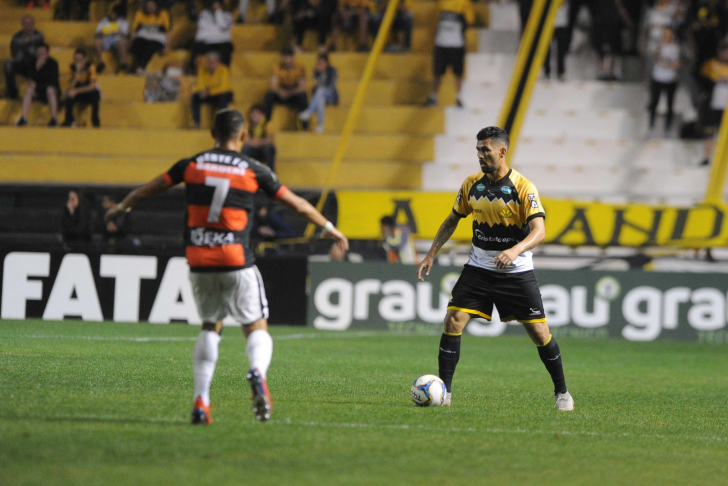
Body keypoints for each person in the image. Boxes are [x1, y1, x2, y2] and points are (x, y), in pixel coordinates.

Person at [104, 108, 349, 425]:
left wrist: (121, 208)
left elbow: (148, 189)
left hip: (199, 258)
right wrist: (329, 227)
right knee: (255, 327)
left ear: (212, 134)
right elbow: (298, 204)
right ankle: (258, 373)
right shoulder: (252, 168)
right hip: (235, 258)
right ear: (244, 135)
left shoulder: (191, 164)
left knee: (210, 326)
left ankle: (201, 401)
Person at [416, 126, 574, 412]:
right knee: (453, 320)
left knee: (540, 334)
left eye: (485, 150)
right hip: (478, 268)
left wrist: (514, 250)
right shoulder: (470, 185)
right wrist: (431, 254)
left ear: (502, 152)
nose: (479, 155)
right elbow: (452, 220)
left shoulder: (524, 187)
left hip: (516, 272)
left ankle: (562, 392)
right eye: (477, 149)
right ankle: (445, 392)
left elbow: (540, 231)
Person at [423, 0, 475, 108]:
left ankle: (459, 97)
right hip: (442, 42)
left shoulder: (464, 3)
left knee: (457, 72)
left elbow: (469, 22)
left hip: (456, 43)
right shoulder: (442, 2)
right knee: (438, 71)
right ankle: (434, 97)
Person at [699, 41, 728, 166]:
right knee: (709, 132)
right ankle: (706, 158)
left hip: (726, 108)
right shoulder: (711, 64)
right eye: (724, 51)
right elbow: (702, 78)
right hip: (712, 105)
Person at [16, 43, 59, 127]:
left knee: (50, 90)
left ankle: (54, 119)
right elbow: (29, 79)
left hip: (50, 91)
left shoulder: (53, 63)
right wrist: (37, 67)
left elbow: (53, 81)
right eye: (39, 53)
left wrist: (37, 86)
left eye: (43, 53)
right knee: (29, 89)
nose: (41, 55)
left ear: (47, 53)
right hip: (37, 90)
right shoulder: (32, 62)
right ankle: (24, 118)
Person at [262, 47, 308, 123]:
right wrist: (280, 92)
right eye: (284, 57)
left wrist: (290, 93)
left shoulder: (300, 68)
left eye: (288, 57)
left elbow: (302, 87)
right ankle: (267, 123)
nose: (286, 59)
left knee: (303, 97)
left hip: (293, 94)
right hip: (281, 94)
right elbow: (273, 86)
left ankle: (304, 125)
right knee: (269, 95)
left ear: (293, 57)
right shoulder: (277, 68)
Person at [648, 27, 680, 135]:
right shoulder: (657, 45)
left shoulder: (676, 47)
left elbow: (679, 63)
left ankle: (668, 127)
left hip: (671, 79)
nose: (667, 36)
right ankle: (651, 125)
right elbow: (653, 55)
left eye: (669, 34)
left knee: (670, 105)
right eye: (665, 34)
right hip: (657, 78)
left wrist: (669, 64)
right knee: (654, 102)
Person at [4, 15, 45, 100]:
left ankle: (37, 93)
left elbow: (41, 52)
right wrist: (25, 54)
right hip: (21, 63)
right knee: (8, 65)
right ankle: (12, 92)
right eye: (25, 24)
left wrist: (26, 52)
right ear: (22, 25)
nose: (28, 26)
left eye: (30, 24)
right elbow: (14, 54)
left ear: (33, 25)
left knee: (36, 63)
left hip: (34, 64)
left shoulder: (39, 36)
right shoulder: (16, 37)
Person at [298, 53, 338, 133]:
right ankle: (320, 125)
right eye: (319, 63)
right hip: (321, 96)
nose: (320, 65)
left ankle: (309, 111)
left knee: (321, 91)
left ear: (326, 63)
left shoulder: (332, 71)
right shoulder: (316, 72)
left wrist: (321, 78)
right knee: (320, 98)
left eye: (322, 63)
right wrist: (318, 74)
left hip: (331, 95)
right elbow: (316, 85)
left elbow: (330, 86)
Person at [191, 52, 233, 128]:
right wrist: (202, 91)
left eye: (213, 62)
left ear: (218, 62)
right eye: (209, 62)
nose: (211, 65)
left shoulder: (223, 70)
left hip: (223, 93)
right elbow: (200, 83)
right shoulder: (202, 69)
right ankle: (197, 123)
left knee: (222, 98)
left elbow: (223, 87)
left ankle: (223, 124)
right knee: (195, 97)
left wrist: (209, 92)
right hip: (209, 93)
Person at [62, 48, 101, 128]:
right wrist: (77, 72)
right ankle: (69, 121)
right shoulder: (73, 67)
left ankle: (95, 121)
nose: (78, 61)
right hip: (78, 91)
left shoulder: (90, 67)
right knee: (69, 96)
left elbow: (92, 86)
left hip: (88, 91)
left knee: (95, 95)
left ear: (85, 58)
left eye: (80, 59)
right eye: (76, 59)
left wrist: (76, 91)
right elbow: (71, 86)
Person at [129, 0, 171, 73]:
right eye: (149, 5)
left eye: (153, 5)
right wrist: (131, 41)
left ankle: (141, 66)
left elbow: (167, 31)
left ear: (156, 6)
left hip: (157, 37)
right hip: (144, 35)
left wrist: (166, 46)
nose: (151, 7)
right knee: (137, 45)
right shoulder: (140, 13)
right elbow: (134, 30)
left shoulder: (163, 14)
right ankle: (135, 66)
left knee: (150, 47)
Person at [193, 1, 234, 67]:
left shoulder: (228, 15)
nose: (215, 6)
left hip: (222, 42)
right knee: (195, 47)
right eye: (214, 4)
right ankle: (192, 72)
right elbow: (202, 28)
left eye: (217, 4)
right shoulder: (204, 13)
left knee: (228, 48)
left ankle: (225, 71)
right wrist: (218, 30)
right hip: (207, 41)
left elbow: (222, 25)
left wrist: (218, 12)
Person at [94, 4, 130, 74]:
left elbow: (127, 35)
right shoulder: (104, 21)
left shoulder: (123, 22)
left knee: (121, 42)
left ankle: (124, 63)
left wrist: (118, 32)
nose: (114, 16)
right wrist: (102, 32)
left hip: (117, 40)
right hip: (106, 40)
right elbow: (96, 35)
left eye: (116, 15)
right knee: (96, 42)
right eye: (113, 14)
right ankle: (101, 63)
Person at [242, 104, 277, 169]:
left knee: (269, 149)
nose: (253, 117)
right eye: (252, 114)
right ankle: (244, 171)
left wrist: (255, 142)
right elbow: (245, 139)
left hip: (263, 149)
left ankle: (272, 173)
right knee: (245, 149)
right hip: (253, 149)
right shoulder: (247, 124)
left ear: (262, 115)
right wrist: (260, 142)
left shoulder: (268, 124)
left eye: (255, 114)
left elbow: (270, 140)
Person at [543, 0, 569, 80]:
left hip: (560, 21)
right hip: (548, 21)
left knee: (560, 48)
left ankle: (560, 72)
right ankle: (546, 71)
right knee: (546, 48)